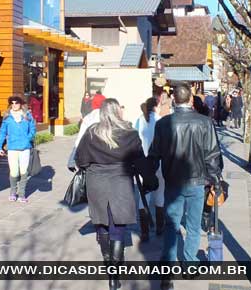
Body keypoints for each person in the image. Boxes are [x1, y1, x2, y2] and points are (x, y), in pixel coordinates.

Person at [75, 99, 158, 290]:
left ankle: (110, 269)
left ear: (102, 113)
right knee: (118, 227)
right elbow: (140, 160)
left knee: (102, 225)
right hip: (121, 181)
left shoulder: (92, 133)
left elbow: (81, 159)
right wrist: (150, 179)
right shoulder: (129, 133)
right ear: (117, 112)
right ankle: (114, 275)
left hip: (97, 183)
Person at [149, 84, 222, 271]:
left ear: (174, 100)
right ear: (190, 100)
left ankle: (168, 262)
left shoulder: (163, 124)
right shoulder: (204, 122)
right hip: (197, 181)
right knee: (193, 225)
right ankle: (190, 263)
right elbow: (212, 155)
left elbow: (154, 154)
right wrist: (215, 180)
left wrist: (149, 176)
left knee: (171, 223)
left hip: (173, 180)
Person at [134, 97, 164, 240]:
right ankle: (159, 228)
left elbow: (134, 141)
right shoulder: (161, 121)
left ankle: (144, 232)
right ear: (156, 106)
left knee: (143, 197)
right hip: (158, 163)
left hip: (143, 164)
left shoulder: (139, 120)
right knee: (160, 197)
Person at [0, 96, 36, 202]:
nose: (14, 105)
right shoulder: (7, 117)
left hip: (25, 148)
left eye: (16, 103)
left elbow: (32, 129)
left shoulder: (27, 115)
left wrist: (28, 138)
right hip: (12, 148)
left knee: (24, 171)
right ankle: (13, 192)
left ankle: (22, 194)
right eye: (12, 103)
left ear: (21, 104)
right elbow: (2, 132)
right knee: (14, 172)